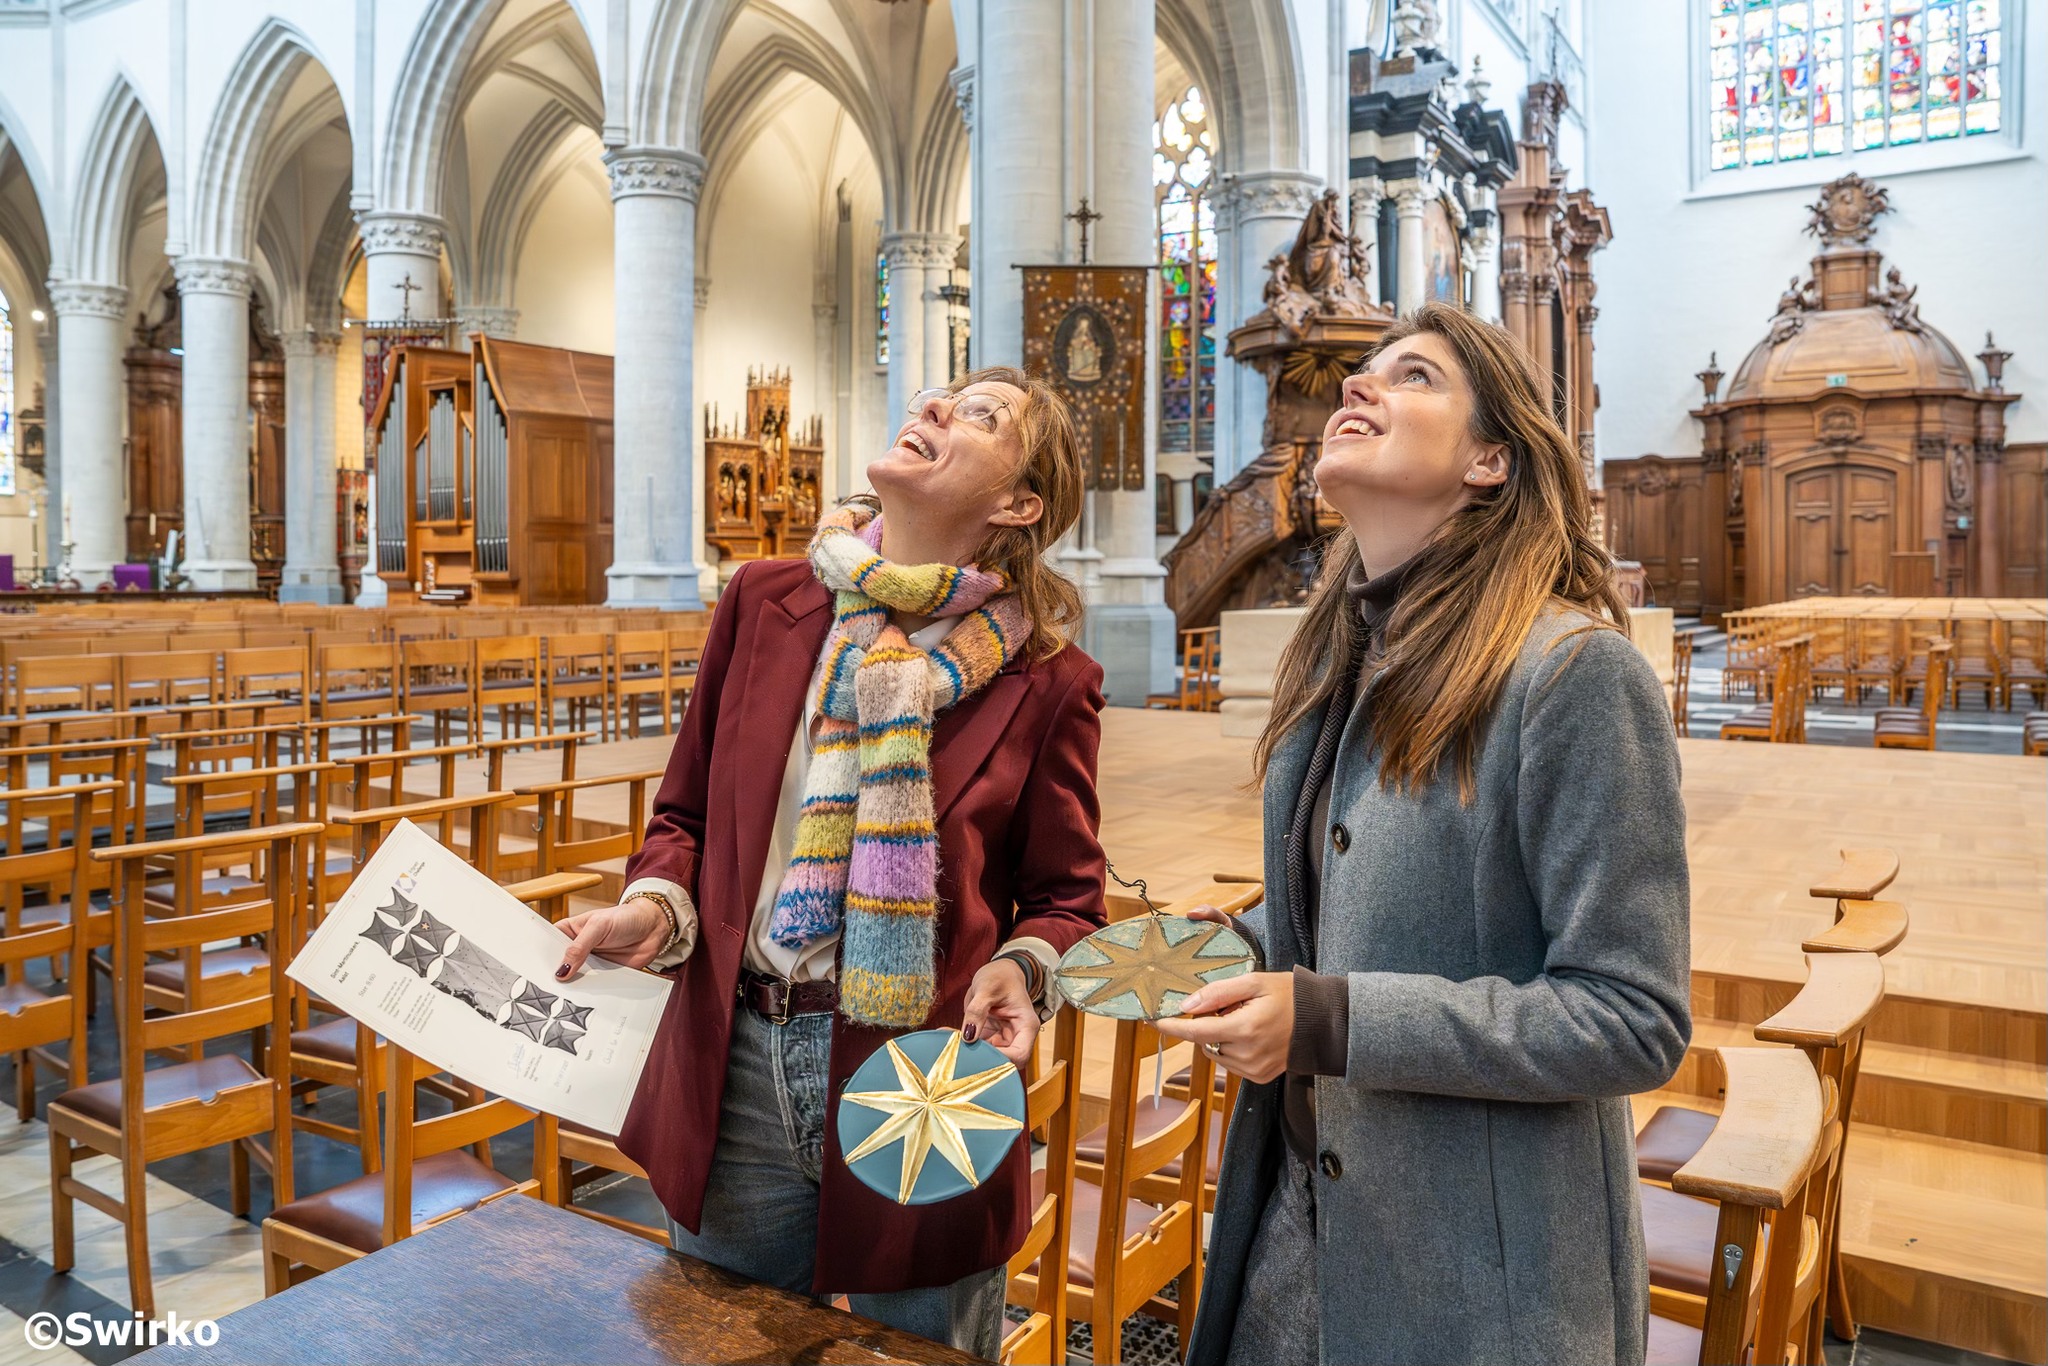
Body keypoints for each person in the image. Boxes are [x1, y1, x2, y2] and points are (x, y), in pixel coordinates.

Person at [1155, 303, 1692, 1366]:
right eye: (1361, 372)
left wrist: (1331, 1019)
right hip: (1300, 1229)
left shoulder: (1572, 676)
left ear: (1490, 458)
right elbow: (1377, 895)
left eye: (1410, 376)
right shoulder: (1340, 655)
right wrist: (1240, 944)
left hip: (1478, 1285)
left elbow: (1631, 1016)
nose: (1356, 387)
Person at [554, 368, 1108, 1357]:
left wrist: (1020, 965)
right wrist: (653, 907)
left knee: (919, 1350)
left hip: (926, 1072)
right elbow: (682, 813)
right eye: (941, 393)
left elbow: (1066, 899)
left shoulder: (1047, 681)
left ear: (1018, 504)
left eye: (979, 415)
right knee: (724, 1345)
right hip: (738, 1061)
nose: (935, 406)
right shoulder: (765, 602)